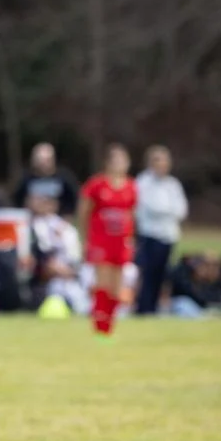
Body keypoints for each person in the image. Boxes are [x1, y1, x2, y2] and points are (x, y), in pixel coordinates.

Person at [79, 144, 137, 338]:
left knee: (117, 287)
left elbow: (131, 215)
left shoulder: (131, 186)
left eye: (123, 160)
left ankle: (109, 326)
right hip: (101, 241)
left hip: (120, 242)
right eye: (116, 160)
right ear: (108, 163)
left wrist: (131, 238)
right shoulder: (96, 185)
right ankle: (99, 327)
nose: (119, 164)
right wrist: (85, 239)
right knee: (102, 284)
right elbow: (84, 213)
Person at [133, 146, 188, 315]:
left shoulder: (173, 184)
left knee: (162, 274)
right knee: (147, 274)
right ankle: (144, 308)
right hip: (149, 235)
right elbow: (148, 207)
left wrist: (166, 211)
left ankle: (155, 307)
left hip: (168, 236)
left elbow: (181, 210)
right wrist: (166, 211)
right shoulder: (143, 182)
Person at [12, 142, 79, 216]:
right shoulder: (26, 179)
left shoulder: (64, 178)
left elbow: (73, 199)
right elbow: (16, 200)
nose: (43, 164)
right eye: (39, 160)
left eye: (46, 160)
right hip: (32, 218)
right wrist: (28, 205)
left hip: (58, 218)